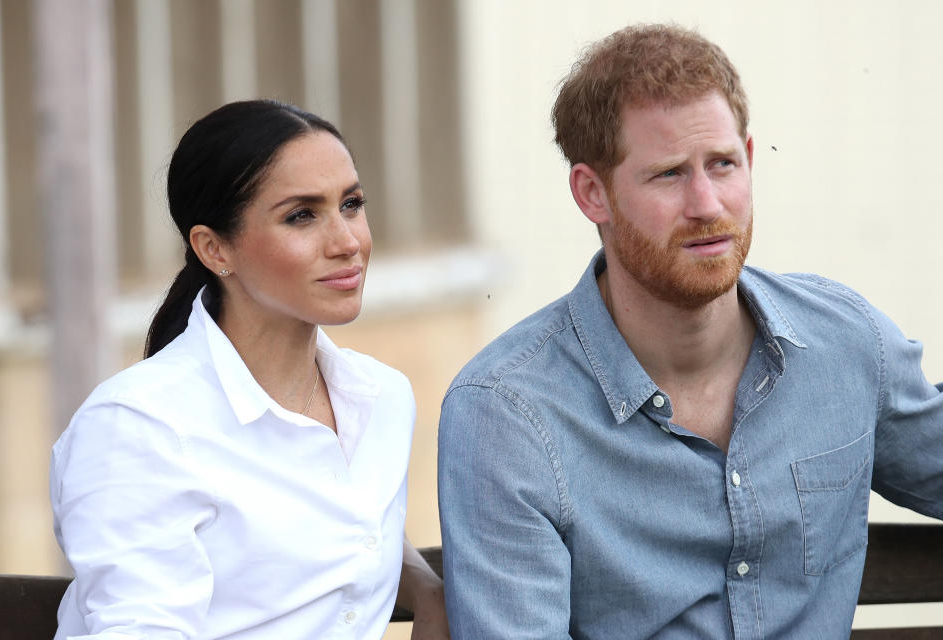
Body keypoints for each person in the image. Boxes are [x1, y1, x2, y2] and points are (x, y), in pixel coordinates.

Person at [438, 23, 943, 639]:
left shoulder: (847, 345)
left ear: (750, 160)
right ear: (592, 193)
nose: (707, 203)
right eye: (670, 174)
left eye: (722, 165)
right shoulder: (507, 414)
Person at [50, 100, 448, 639]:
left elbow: (346, 525)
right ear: (214, 248)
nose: (348, 242)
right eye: (301, 215)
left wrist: (426, 587)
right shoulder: (138, 428)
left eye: (351, 204)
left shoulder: (381, 397)